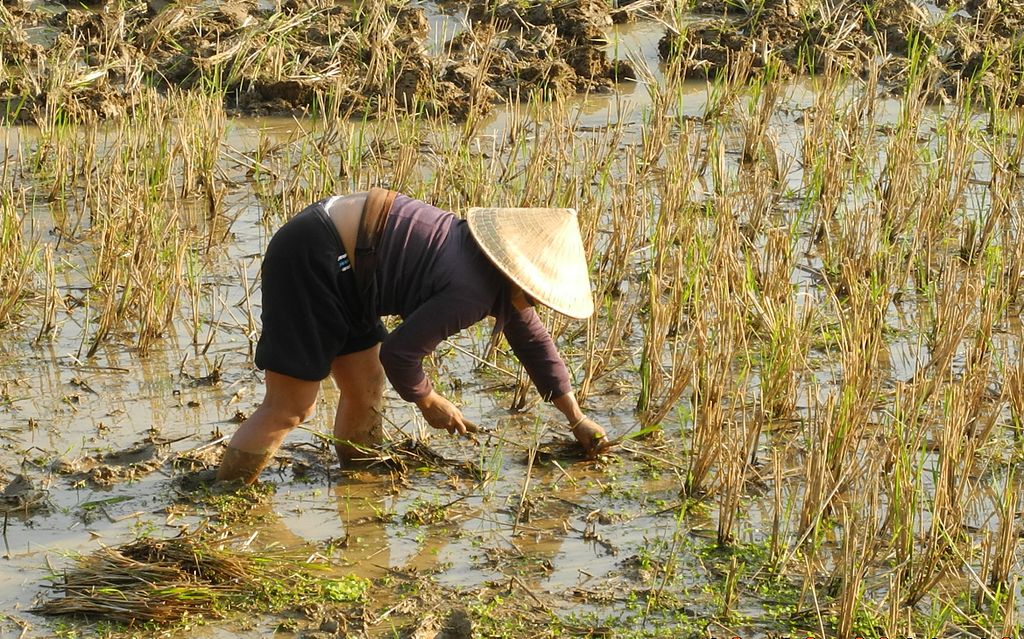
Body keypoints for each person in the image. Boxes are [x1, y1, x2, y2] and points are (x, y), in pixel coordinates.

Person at [217, 189, 608, 484]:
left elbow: (535, 344)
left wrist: (577, 419)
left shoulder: (489, 266)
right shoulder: (470, 291)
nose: (537, 303)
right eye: (539, 293)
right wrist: (428, 400)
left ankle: (358, 482)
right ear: (520, 274)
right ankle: (224, 497)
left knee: (366, 388)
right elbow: (400, 353)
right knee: (291, 407)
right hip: (315, 256)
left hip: (353, 268)